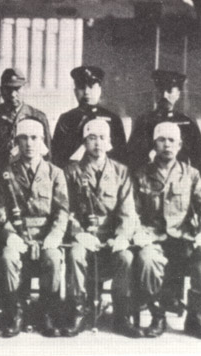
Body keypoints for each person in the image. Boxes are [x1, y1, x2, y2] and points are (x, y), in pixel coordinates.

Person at [63, 119, 141, 338]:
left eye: (102, 138)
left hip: (111, 238)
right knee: (76, 254)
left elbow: (128, 211)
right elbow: (64, 209)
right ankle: (78, 311)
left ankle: (121, 315)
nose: (97, 143)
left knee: (125, 257)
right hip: (84, 237)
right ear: (84, 142)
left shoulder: (121, 172)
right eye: (92, 138)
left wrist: (122, 237)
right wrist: (79, 233)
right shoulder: (71, 171)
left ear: (109, 142)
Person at [0, 118, 68, 338]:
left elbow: (62, 210)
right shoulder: (6, 174)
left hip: (46, 237)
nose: (29, 143)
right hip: (18, 235)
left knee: (53, 258)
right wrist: (10, 235)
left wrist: (54, 235)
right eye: (23, 138)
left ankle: (46, 312)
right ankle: (15, 312)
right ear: (17, 141)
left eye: (34, 137)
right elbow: (0, 211)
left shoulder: (55, 173)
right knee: (8, 257)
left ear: (42, 140)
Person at [133, 122, 201, 339]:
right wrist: (139, 233)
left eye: (172, 140)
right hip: (153, 238)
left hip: (183, 237)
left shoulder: (191, 175)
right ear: (154, 144)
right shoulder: (141, 174)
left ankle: (195, 315)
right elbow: (131, 211)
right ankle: (158, 314)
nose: (167, 145)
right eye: (162, 140)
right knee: (147, 260)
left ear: (180, 144)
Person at [127, 70, 201, 175]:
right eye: (160, 90)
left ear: (178, 94)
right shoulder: (144, 121)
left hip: (180, 180)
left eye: (169, 91)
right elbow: (132, 157)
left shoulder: (187, 123)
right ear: (155, 93)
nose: (164, 95)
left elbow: (199, 159)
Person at [0, 68, 51, 175]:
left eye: (17, 89)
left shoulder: (38, 118)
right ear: (1, 90)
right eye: (8, 89)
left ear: (24, 88)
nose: (12, 94)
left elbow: (47, 156)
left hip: (29, 180)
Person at [51, 66, 127, 169]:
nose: (86, 92)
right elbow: (57, 156)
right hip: (74, 175)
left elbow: (121, 155)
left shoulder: (113, 119)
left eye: (91, 87)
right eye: (82, 87)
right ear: (75, 91)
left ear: (99, 90)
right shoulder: (67, 119)